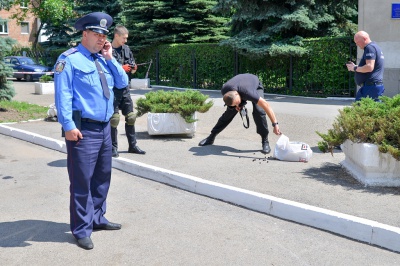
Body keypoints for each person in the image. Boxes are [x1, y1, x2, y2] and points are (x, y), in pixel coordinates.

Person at [54, 12, 129, 250]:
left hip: (105, 128)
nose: (101, 39)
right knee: (81, 182)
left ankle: (97, 218)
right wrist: (68, 126)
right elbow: (63, 95)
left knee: (101, 178)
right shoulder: (69, 60)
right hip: (82, 130)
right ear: (84, 34)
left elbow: (122, 83)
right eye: (97, 34)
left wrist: (110, 58)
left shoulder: (103, 59)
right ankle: (81, 229)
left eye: (104, 35)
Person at [198, 73, 281, 153]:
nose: (238, 104)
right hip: (240, 87)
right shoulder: (225, 91)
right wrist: (237, 106)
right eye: (236, 103)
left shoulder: (249, 93)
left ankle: (265, 141)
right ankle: (211, 137)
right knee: (229, 113)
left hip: (254, 85)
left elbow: (266, 105)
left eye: (238, 102)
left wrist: (275, 124)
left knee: (259, 111)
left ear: (237, 94)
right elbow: (233, 101)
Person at [110, 25, 145, 157]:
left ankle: (133, 145)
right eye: (124, 38)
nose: (125, 40)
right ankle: (113, 148)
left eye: (126, 38)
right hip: (112, 89)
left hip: (125, 88)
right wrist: (121, 68)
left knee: (131, 117)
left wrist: (133, 68)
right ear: (116, 36)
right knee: (114, 119)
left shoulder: (126, 49)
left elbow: (132, 67)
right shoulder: (107, 49)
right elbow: (106, 68)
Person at [346, 31, 385, 101]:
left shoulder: (369, 48)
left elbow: (369, 67)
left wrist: (354, 68)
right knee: (363, 110)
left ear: (364, 38)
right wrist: (356, 67)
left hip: (370, 87)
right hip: (372, 86)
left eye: (357, 42)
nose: (356, 44)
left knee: (360, 110)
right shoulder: (375, 47)